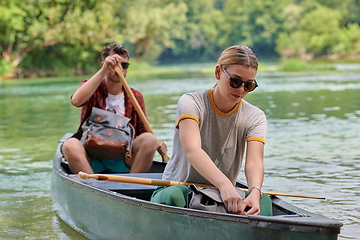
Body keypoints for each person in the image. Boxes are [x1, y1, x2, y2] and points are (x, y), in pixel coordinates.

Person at [151, 45, 272, 216]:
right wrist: (224, 184)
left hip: (220, 195)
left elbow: (254, 162)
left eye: (249, 85)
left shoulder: (255, 116)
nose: (240, 90)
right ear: (218, 73)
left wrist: (254, 191)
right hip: (180, 188)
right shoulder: (191, 102)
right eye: (235, 82)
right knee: (175, 196)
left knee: (264, 202)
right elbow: (193, 151)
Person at [61, 43, 167, 174]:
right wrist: (104, 71)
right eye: (114, 64)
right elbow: (76, 101)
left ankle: (131, 187)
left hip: (123, 157)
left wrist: (159, 144)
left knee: (150, 139)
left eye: (124, 65)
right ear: (103, 65)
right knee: (69, 145)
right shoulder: (92, 87)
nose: (120, 69)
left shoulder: (135, 96)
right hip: (91, 154)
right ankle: (92, 187)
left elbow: (144, 132)